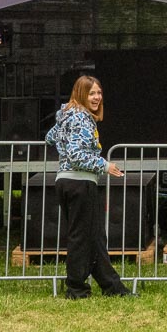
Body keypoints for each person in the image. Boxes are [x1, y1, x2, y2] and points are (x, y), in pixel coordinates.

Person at [46, 75, 135, 299]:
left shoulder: (68, 115)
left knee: (93, 237)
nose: (97, 97)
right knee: (81, 237)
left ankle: (111, 286)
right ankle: (76, 288)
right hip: (79, 182)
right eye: (91, 93)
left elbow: (49, 137)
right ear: (80, 94)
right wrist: (105, 165)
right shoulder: (80, 117)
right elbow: (76, 155)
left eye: (99, 93)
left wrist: (62, 127)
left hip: (67, 180)